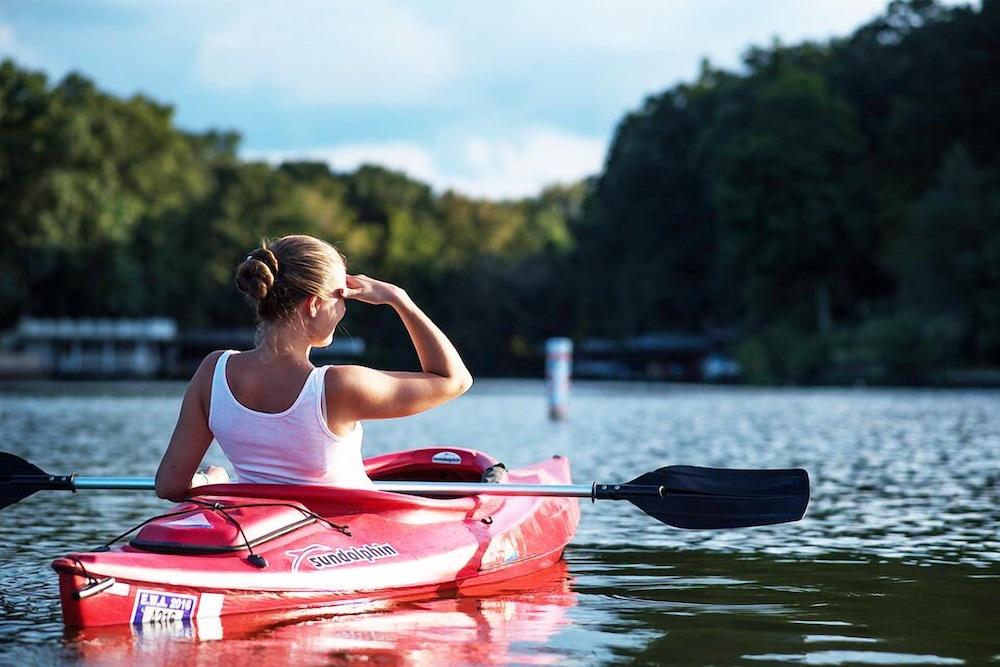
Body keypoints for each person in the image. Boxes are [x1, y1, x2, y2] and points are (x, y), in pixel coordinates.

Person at [155, 234, 473, 501]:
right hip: (345, 543)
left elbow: (170, 485)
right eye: (342, 296)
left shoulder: (213, 371)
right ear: (315, 305)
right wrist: (399, 299)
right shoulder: (338, 386)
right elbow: (454, 379)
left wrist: (213, 484)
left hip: (267, 537)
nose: (345, 308)